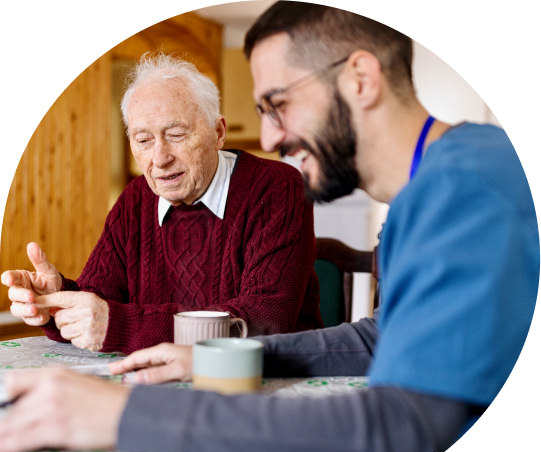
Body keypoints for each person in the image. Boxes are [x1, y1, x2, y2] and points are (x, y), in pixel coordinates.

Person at [0, 2, 537, 452]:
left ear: (360, 79)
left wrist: (124, 415)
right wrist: (207, 355)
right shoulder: (429, 190)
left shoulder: (467, 186)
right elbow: (380, 339)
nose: (272, 137)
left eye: (278, 104)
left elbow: (401, 432)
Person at [0, 53, 323, 354]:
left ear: (218, 132)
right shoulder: (135, 199)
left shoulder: (277, 187)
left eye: (177, 134)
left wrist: (121, 325)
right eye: (143, 140)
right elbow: (100, 303)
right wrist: (56, 302)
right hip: (161, 383)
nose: (160, 158)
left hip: (265, 383)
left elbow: (263, 321)